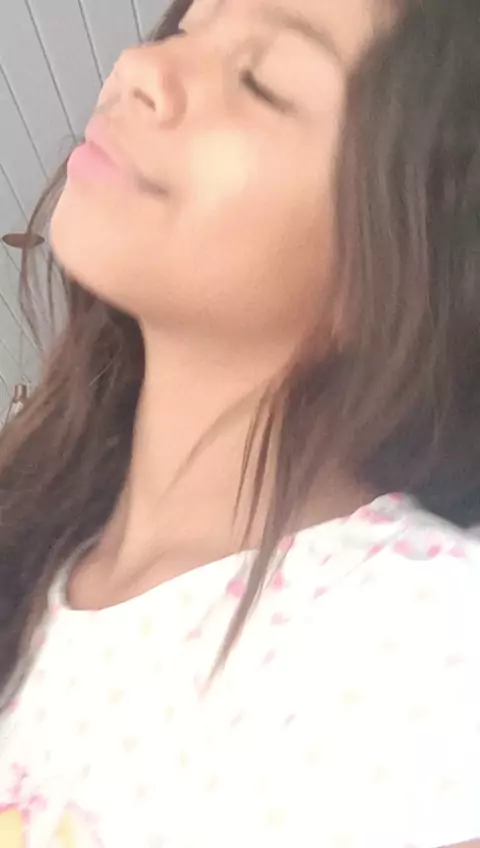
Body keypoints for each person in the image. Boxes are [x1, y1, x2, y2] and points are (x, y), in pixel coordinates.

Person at [0, 0, 479, 845]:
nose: (142, 68)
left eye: (259, 80)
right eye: (190, 28)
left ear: (410, 268)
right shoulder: (37, 525)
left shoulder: (427, 642)